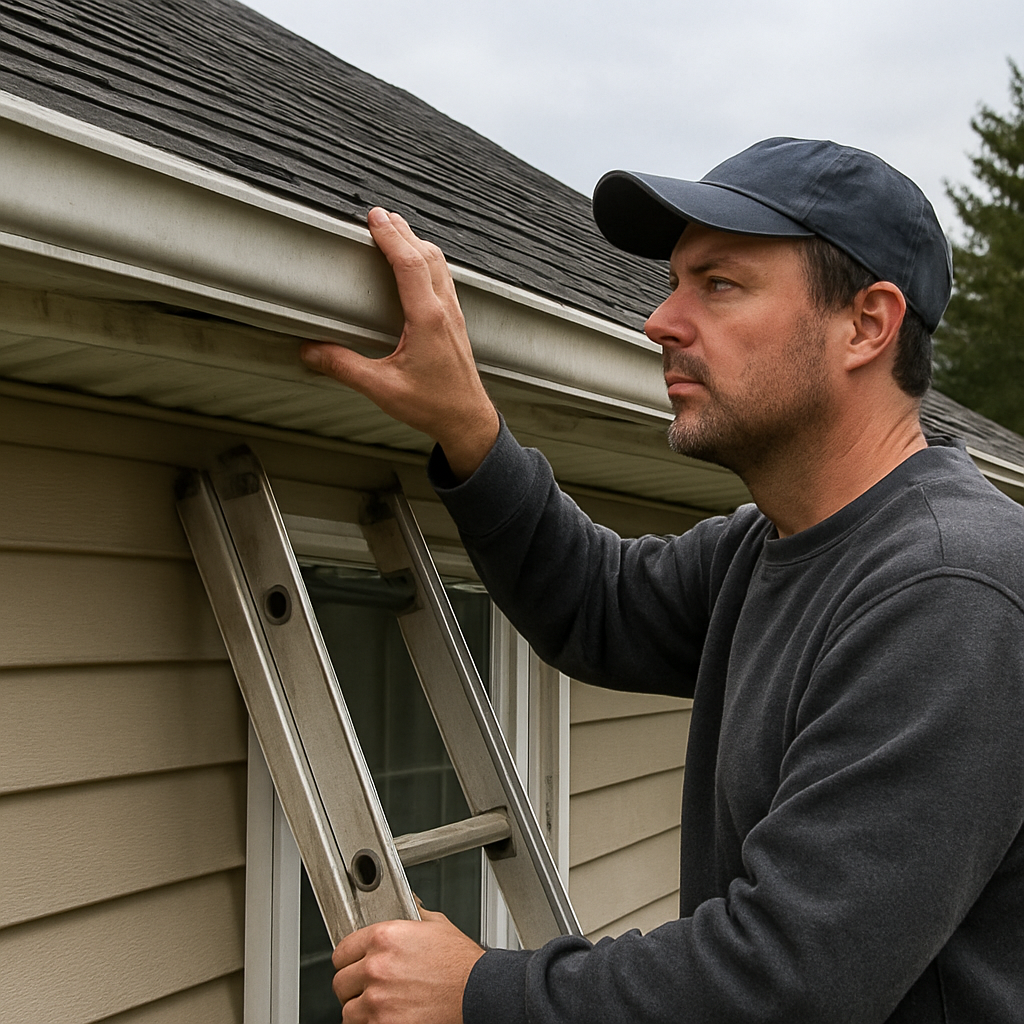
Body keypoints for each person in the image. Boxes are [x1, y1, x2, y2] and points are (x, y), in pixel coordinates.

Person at [299, 138, 1024, 1024]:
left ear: (866, 325)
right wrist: (468, 425)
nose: (660, 321)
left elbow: (785, 982)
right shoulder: (770, 544)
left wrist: (481, 991)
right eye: (675, 282)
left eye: (718, 284)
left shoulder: (948, 589)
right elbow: (597, 602)